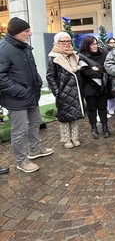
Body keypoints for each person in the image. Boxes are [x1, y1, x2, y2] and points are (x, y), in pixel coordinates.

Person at [0, 17, 53, 173]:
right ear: (16, 32)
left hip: (31, 95)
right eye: (26, 31)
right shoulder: (3, 48)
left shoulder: (23, 46)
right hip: (16, 98)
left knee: (35, 121)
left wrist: (37, 81)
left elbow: (32, 69)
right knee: (20, 130)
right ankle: (22, 161)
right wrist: (20, 91)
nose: (30, 33)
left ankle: (35, 150)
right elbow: (1, 76)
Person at [46, 32, 84, 149]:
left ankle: (75, 137)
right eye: (64, 42)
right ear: (57, 43)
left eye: (68, 41)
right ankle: (66, 138)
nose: (67, 44)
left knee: (75, 115)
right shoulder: (53, 58)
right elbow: (50, 76)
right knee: (64, 116)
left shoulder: (73, 55)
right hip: (63, 92)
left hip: (75, 90)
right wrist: (57, 92)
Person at [79, 36, 110, 139]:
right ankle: (93, 127)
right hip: (89, 86)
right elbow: (85, 71)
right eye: (92, 44)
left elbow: (107, 68)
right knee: (92, 109)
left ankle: (105, 127)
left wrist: (99, 70)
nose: (95, 46)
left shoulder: (103, 54)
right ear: (87, 45)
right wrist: (98, 72)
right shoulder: (82, 56)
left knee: (103, 107)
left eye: (96, 43)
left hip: (102, 86)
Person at [104, 37, 115, 115]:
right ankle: (111, 108)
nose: (113, 44)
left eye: (114, 42)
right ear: (108, 43)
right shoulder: (105, 51)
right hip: (109, 75)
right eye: (111, 42)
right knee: (111, 94)